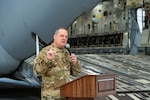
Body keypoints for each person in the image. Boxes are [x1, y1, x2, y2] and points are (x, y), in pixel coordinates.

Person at [33, 28, 82, 100]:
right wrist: (48, 60)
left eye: (66, 37)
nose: (64, 38)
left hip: (66, 95)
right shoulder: (46, 51)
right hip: (51, 96)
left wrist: (75, 63)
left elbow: (75, 73)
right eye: (61, 36)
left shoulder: (67, 53)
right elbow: (37, 71)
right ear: (55, 37)